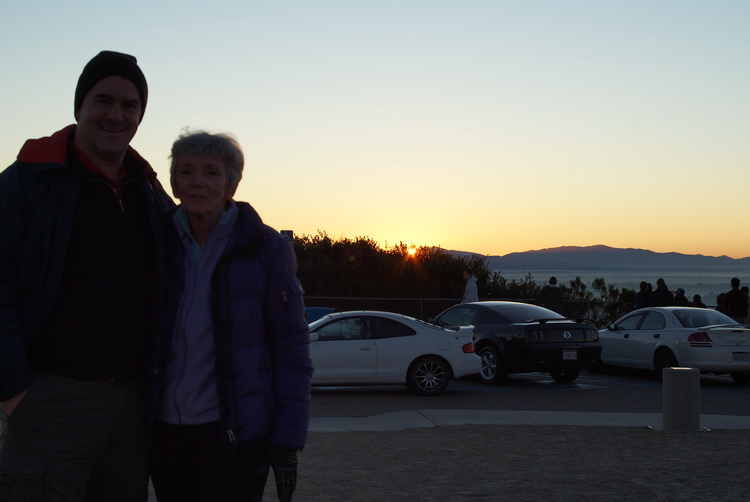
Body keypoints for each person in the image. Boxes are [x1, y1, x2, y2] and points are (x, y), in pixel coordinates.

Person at [0, 51, 173, 500]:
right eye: (103, 100)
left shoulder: (149, 192)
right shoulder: (27, 180)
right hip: (49, 401)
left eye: (129, 105)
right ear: (79, 106)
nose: (116, 115)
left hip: (132, 409)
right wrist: (14, 388)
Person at [150, 131, 313, 502]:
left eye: (210, 172)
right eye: (186, 171)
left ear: (231, 185)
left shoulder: (265, 248)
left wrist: (287, 440)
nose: (196, 181)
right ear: (174, 183)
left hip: (235, 438)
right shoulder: (157, 242)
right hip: (164, 435)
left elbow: (290, 349)